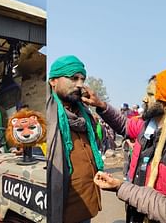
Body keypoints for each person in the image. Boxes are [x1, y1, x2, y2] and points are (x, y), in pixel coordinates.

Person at [84, 65, 166, 223]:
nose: (144, 98)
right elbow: (125, 125)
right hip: (135, 215)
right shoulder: (147, 126)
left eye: (150, 94)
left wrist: (121, 187)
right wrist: (100, 105)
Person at [46, 55, 103, 223]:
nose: (80, 84)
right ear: (53, 81)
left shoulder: (84, 114)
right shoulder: (49, 115)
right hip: (62, 208)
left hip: (87, 203)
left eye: (82, 79)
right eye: (73, 78)